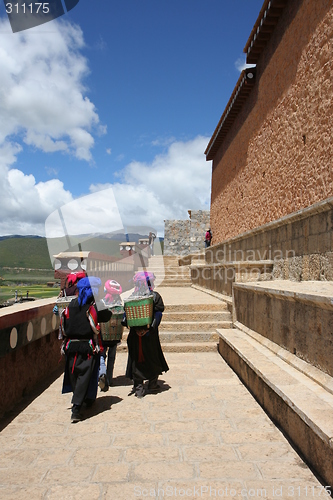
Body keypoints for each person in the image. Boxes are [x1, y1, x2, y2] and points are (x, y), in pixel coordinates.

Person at [60, 276, 112, 422]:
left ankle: (87, 399)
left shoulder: (71, 305)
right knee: (84, 376)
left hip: (70, 347)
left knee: (75, 375)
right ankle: (76, 409)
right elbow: (107, 316)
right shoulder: (94, 306)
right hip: (87, 348)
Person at [124, 273, 168, 398]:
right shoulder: (155, 296)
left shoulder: (132, 297)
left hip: (135, 335)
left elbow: (126, 315)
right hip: (150, 335)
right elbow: (158, 313)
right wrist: (149, 329)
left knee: (136, 360)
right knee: (153, 358)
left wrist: (136, 329)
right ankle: (152, 384)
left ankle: (139, 388)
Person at [98, 280, 123, 392]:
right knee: (112, 357)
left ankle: (102, 373)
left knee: (102, 355)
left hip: (103, 335)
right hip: (115, 336)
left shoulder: (102, 303)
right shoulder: (119, 303)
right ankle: (109, 379)